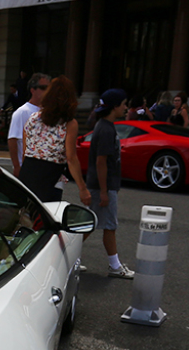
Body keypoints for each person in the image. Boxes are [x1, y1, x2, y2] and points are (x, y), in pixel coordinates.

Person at [18, 76, 90, 206]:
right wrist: (82, 188)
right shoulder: (68, 124)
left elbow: (25, 150)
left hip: (28, 171)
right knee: (46, 218)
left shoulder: (33, 118)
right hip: (50, 175)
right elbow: (71, 157)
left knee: (25, 215)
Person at [88, 89, 134, 279]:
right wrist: (105, 191)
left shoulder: (103, 125)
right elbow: (101, 161)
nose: (126, 108)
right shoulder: (106, 128)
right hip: (103, 186)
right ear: (114, 106)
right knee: (108, 226)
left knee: (91, 223)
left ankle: (68, 258)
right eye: (124, 104)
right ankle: (114, 266)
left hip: (102, 185)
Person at [7, 72, 49, 177]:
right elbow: (13, 140)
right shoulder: (23, 112)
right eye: (43, 88)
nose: (48, 91)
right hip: (28, 168)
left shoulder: (50, 112)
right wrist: (17, 166)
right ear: (32, 90)